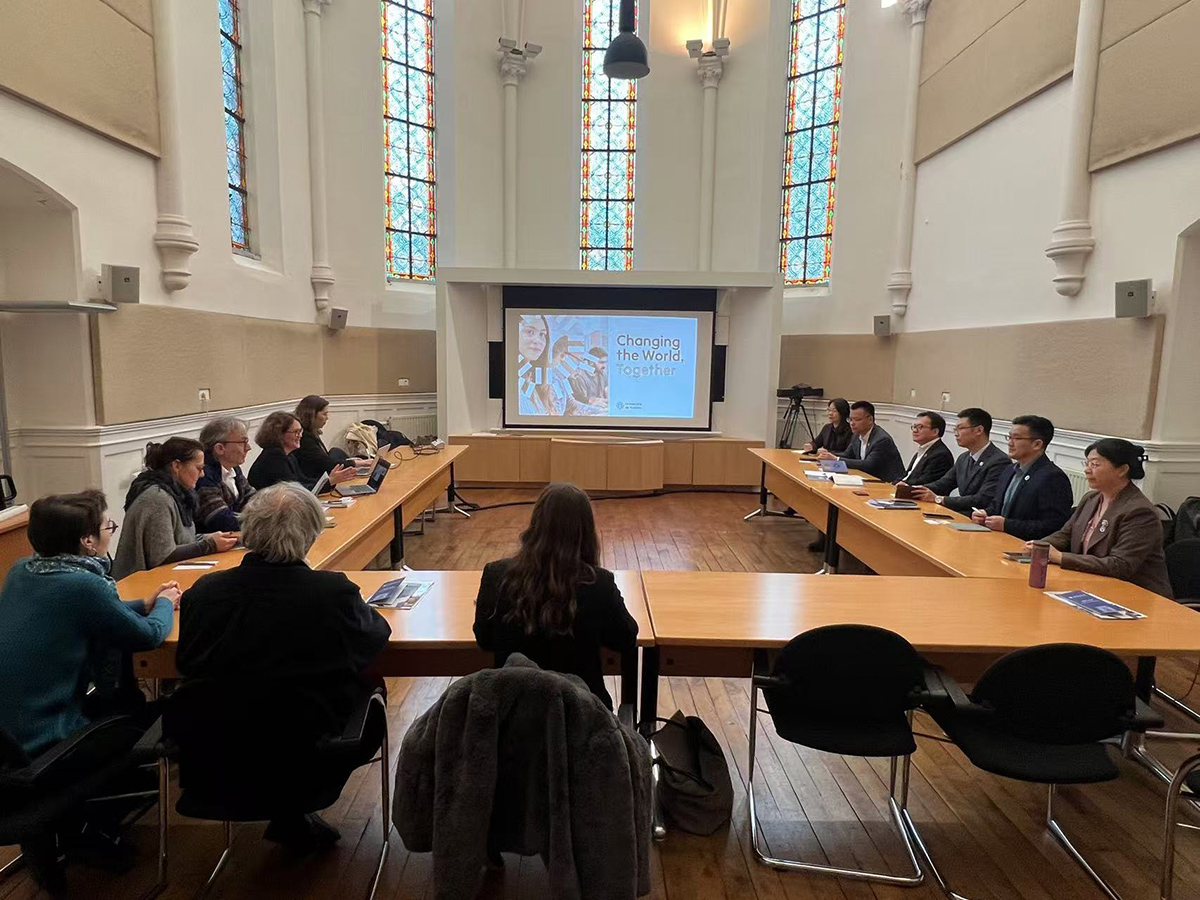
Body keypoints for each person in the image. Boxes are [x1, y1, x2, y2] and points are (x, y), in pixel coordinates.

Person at [175, 483, 391, 850]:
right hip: (307, 748)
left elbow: (185, 663)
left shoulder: (204, 592)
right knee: (372, 686)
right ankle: (292, 806)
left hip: (217, 749)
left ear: (248, 530)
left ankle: (285, 809)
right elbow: (375, 637)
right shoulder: (331, 593)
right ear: (310, 535)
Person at [0, 490, 180, 887]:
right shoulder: (85, 585)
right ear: (86, 541)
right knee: (152, 716)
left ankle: (88, 818)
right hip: (44, 747)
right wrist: (166, 603)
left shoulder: (23, 571)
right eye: (106, 527)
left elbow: (82, 614)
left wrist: (141, 605)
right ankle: (96, 818)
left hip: (8, 742)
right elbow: (147, 637)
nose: (109, 532)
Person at [473, 483, 638, 710]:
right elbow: (626, 637)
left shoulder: (496, 574)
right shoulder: (599, 583)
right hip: (583, 720)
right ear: (586, 533)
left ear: (535, 525)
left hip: (513, 720)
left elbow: (484, 639)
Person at [1028, 439, 1173, 597]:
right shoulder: (1091, 499)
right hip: (1092, 584)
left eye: (1095, 464)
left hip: (1136, 595)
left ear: (1122, 470)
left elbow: (1120, 565)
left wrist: (1061, 557)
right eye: (1087, 463)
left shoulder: (1140, 512)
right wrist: (1038, 547)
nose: (1087, 470)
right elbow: (1065, 535)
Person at [113, 439, 238, 579]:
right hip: (138, 583)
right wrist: (210, 545)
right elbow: (162, 555)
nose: (202, 474)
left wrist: (211, 537)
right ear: (176, 466)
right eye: (199, 468)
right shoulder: (157, 498)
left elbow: (182, 540)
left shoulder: (178, 494)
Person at [971, 415, 1073, 540]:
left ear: (1037, 444)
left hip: (1025, 545)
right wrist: (985, 513)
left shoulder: (1053, 478)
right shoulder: (1009, 470)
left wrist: (1007, 525)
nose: (1010, 443)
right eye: (1009, 437)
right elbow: (998, 505)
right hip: (997, 538)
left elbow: (1054, 526)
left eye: (1017, 438)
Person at [911, 408, 1010, 512]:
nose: (956, 433)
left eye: (960, 428)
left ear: (979, 430)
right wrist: (911, 489)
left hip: (979, 517)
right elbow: (943, 483)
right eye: (955, 429)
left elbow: (982, 499)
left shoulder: (999, 461)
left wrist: (940, 499)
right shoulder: (964, 458)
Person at [248, 411, 354, 491]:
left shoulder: (288, 454)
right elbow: (295, 491)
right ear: (279, 434)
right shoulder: (274, 456)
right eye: (296, 432)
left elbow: (303, 481)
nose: (300, 436)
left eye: (300, 431)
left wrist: (329, 480)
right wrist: (329, 481)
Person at [816, 400, 906, 482]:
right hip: (867, 480)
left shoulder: (881, 440)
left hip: (888, 484)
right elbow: (847, 455)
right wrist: (827, 455)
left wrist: (836, 459)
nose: (852, 423)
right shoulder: (856, 436)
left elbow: (868, 465)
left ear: (870, 420)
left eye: (857, 419)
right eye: (850, 419)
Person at [196, 416, 256, 532]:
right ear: (220, 448)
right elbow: (220, 520)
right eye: (243, 442)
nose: (248, 448)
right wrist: (262, 521)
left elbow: (255, 500)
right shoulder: (203, 474)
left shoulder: (234, 468)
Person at [292, 395, 369, 483]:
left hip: (320, 475)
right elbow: (326, 464)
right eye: (324, 414)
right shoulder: (304, 438)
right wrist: (357, 463)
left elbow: (324, 459)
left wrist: (350, 461)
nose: (327, 417)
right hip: (315, 481)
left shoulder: (311, 433)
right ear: (312, 415)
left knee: (336, 452)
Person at [895, 411, 954, 487]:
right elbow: (907, 475)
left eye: (920, 427)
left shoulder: (941, 455)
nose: (915, 430)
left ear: (935, 432)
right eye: (914, 427)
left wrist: (905, 485)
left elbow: (925, 482)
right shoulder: (923, 449)